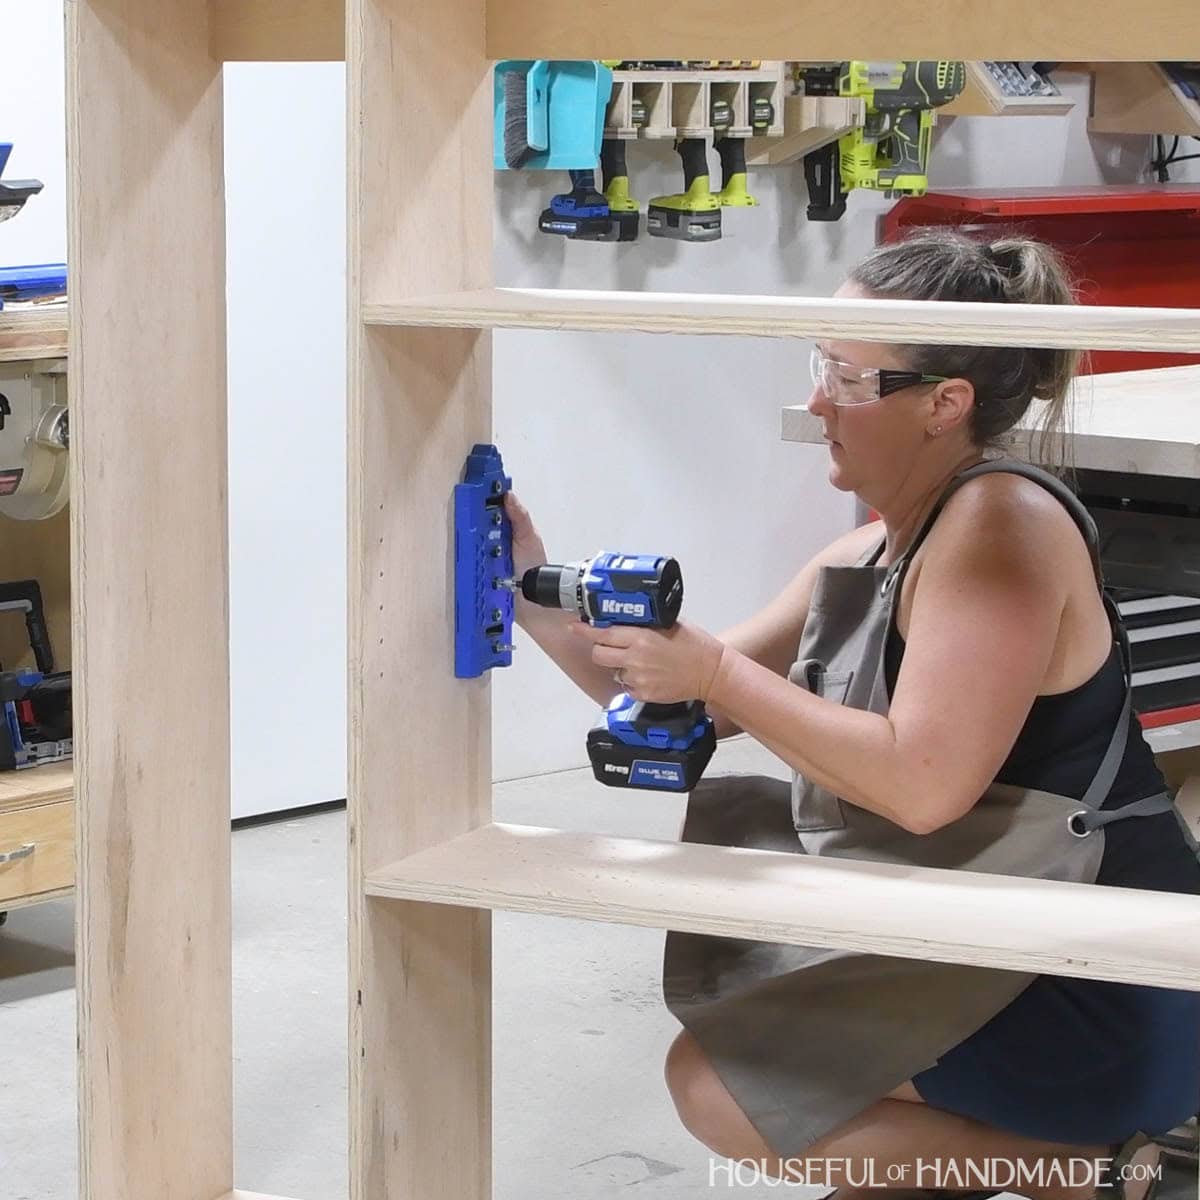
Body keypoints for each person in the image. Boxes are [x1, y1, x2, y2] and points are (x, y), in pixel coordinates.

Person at [503, 230, 1200, 1200]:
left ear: (944, 405)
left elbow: (923, 786)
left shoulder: (1005, 528)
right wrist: (527, 591)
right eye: (819, 364)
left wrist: (713, 672)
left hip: (1099, 979)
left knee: (722, 1089)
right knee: (865, 1176)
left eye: (848, 376)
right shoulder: (873, 552)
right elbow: (674, 703)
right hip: (984, 941)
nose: (818, 400)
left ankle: (1103, 1175)